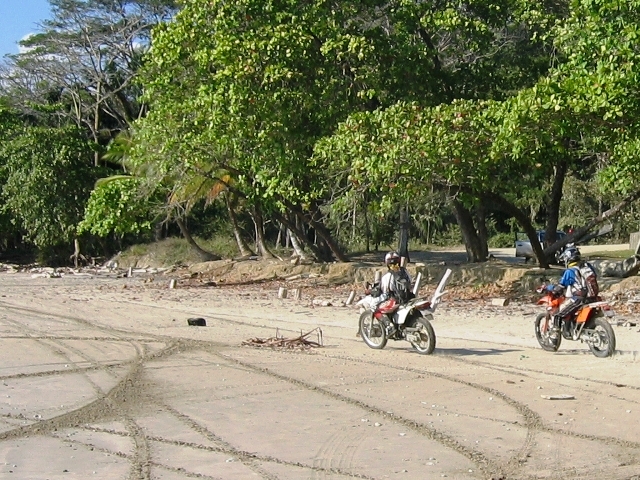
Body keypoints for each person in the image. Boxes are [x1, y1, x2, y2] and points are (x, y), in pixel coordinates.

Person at [547, 244, 598, 337]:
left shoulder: (570, 271)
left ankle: (554, 335)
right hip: (593, 297)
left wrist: (551, 288)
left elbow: (561, 286)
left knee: (558, 315)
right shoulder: (587, 266)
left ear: (568, 259)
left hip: (578, 299)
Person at [367, 251, 413, 334]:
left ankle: (389, 326)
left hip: (395, 300)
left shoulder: (387, 276)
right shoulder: (405, 272)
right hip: (409, 297)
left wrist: (371, 291)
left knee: (376, 309)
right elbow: (410, 282)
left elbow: (383, 290)